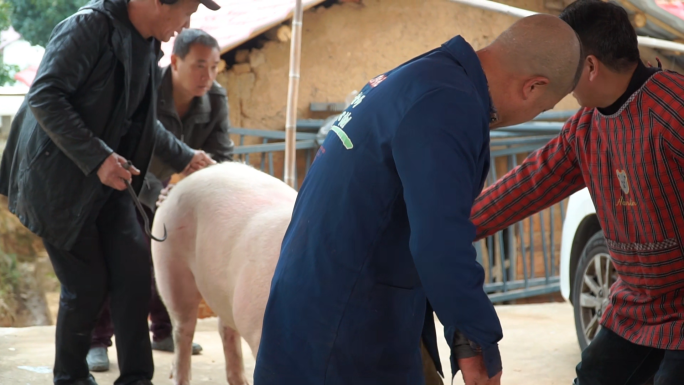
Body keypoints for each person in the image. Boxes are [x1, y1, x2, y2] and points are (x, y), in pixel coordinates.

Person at [253, 14, 583, 385]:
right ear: (533, 87)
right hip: (344, 322)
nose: (530, 117)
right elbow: (440, 240)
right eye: (541, 109)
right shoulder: (451, 104)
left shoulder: (426, 75)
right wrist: (476, 339)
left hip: (321, 299)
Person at [0, 0, 221, 384]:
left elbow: (140, 117)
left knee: (134, 277)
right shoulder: (88, 28)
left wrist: (185, 158)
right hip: (60, 184)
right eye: (185, 11)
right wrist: (99, 157)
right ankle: (70, 377)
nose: (186, 24)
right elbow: (45, 96)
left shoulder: (148, 42)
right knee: (86, 287)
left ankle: (136, 378)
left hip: (111, 179)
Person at [468, 1, 684, 384]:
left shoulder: (674, 108)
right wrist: (447, 228)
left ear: (588, 66)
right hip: (636, 305)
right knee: (593, 377)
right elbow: (528, 184)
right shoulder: (585, 128)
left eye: (561, 62)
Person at [85, 28, 235, 372]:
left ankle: (165, 331)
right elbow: (125, 141)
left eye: (214, 67)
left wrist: (187, 190)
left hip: (169, 188)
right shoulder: (145, 88)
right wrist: (160, 188)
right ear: (175, 61)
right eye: (199, 66)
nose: (207, 76)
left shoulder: (216, 100)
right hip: (122, 181)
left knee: (167, 259)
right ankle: (96, 342)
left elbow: (221, 156)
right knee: (116, 261)